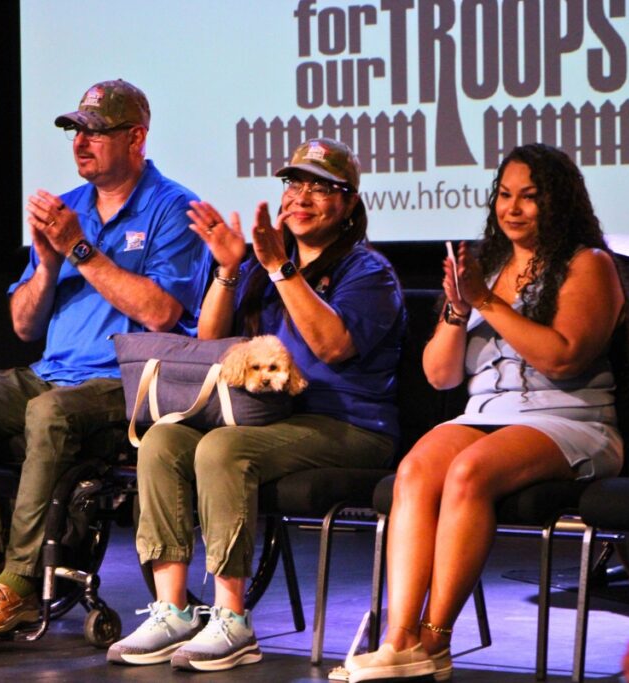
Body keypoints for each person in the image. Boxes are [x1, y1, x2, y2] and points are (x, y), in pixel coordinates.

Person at [0, 79, 212, 637]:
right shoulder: (67, 210)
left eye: (96, 131)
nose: (81, 142)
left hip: (125, 383)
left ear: (137, 137)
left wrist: (79, 249)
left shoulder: (175, 208)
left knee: (48, 414)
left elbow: (162, 313)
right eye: (76, 130)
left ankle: (20, 584)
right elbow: (25, 324)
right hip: (51, 372)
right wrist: (48, 263)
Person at [106, 138, 407, 671]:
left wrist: (278, 270)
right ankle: (172, 608)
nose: (302, 196)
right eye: (295, 184)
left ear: (349, 204)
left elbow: (332, 346)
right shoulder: (267, 267)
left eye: (320, 187)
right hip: (270, 420)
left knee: (222, 449)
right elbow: (209, 341)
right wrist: (228, 268)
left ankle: (232, 619)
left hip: (349, 426)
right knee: (163, 437)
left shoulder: (369, 273)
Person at [346, 143, 629, 682]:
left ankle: (436, 641)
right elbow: (441, 376)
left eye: (529, 197)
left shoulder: (588, 265)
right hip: (484, 414)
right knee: (415, 469)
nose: (513, 208)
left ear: (560, 203)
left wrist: (488, 303)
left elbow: (562, 357)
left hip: (569, 420)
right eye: (504, 195)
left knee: (469, 471)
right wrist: (458, 308)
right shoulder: (490, 269)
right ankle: (399, 637)